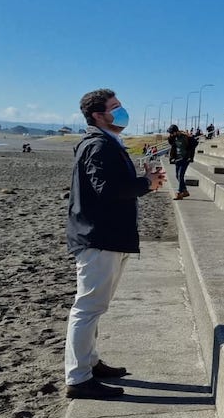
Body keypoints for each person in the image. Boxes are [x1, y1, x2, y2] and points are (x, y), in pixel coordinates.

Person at [65, 89, 167, 399]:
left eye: (121, 106)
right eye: (115, 108)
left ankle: (90, 362)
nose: (122, 112)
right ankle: (79, 378)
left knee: (95, 308)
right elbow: (106, 189)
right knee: (87, 308)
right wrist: (145, 184)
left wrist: (145, 182)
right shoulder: (98, 145)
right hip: (100, 239)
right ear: (98, 116)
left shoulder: (107, 142)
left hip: (108, 237)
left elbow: (112, 186)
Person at [167, 124, 197, 200]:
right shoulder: (173, 138)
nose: (170, 134)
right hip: (177, 158)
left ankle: (179, 193)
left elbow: (194, 144)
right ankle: (185, 191)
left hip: (185, 158)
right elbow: (172, 146)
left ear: (176, 131)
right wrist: (172, 158)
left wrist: (190, 157)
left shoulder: (185, 137)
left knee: (181, 175)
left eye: (172, 132)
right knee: (177, 176)